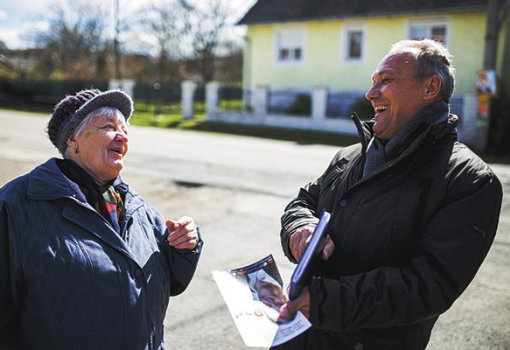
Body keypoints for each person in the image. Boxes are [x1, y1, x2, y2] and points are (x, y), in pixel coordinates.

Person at [274, 39, 503, 349]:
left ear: (430, 87)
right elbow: (303, 202)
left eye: (386, 80)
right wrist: (300, 228)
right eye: (373, 82)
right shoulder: (349, 157)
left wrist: (322, 301)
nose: (370, 94)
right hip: (297, 334)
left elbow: (429, 286)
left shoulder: (468, 180)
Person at [0, 89, 203, 349]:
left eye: (125, 130)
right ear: (73, 139)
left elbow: (170, 282)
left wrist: (186, 246)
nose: (122, 137)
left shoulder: (137, 208)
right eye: (109, 126)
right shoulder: (16, 205)